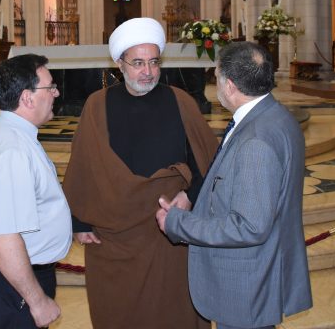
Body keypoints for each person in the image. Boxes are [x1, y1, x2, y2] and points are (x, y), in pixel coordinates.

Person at [62, 17, 218, 329]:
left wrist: (189, 197)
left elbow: (209, 164)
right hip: (113, 237)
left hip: (169, 235)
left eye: (153, 62)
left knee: (171, 313)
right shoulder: (97, 105)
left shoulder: (181, 102)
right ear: (119, 64)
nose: (147, 72)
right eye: (137, 63)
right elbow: (82, 167)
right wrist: (79, 222)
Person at [156, 41, 312, 329]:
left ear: (229, 85)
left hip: (246, 287)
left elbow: (249, 226)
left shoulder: (256, 142)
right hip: (261, 273)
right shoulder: (277, 117)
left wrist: (179, 223)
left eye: (215, 77)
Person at [0, 54, 72, 329]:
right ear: (27, 97)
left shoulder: (11, 132)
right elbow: (4, 240)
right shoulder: (12, 150)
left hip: (12, 278)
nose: (56, 93)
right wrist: (37, 301)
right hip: (13, 283)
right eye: (50, 87)